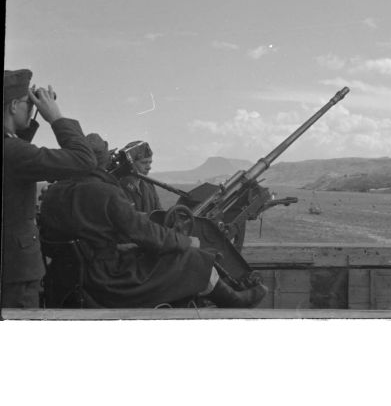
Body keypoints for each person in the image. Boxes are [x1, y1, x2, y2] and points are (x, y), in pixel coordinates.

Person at [39, 133, 268, 308]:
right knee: (192, 257)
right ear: (100, 162)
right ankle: (235, 300)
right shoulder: (105, 193)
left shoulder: (54, 193)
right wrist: (187, 242)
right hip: (106, 280)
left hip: (67, 279)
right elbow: (145, 233)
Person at [2, 69, 97, 308]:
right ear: (14, 105)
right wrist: (56, 117)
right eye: (27, 103)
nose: (30, 107)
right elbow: (84, 160)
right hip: (16, 275)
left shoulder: (12, 149)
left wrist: (28, 118)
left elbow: (18, 151)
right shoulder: (13, 152)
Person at [118, 140, 162, 214]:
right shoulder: (119, 187)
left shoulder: (149, 185)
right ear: (130, 164)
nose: (149, 167)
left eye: (150, 162)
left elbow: (159, 213)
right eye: (144, 162)